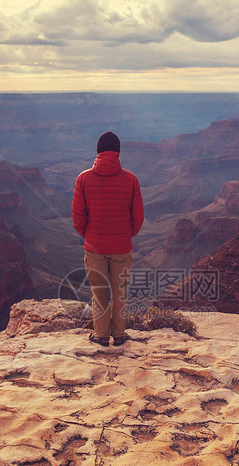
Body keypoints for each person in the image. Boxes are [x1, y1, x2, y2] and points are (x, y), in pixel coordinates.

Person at [72, 131, 144, 346]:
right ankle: (119, 335)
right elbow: (138, 217)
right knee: (119, 292)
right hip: (122, 247)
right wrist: (124, 236)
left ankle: (101, 335)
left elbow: (78, 216)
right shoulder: (131, 179)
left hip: (94, 247)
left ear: (98, 151)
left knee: (99, 292)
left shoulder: (83, 178)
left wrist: (91, 236)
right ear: (118, 152)